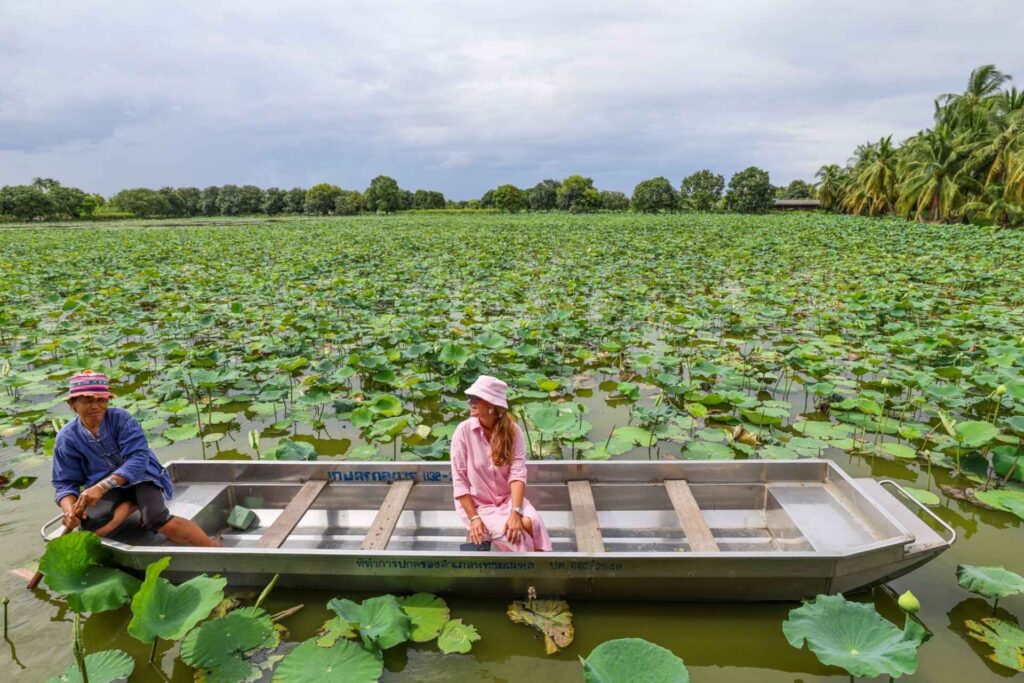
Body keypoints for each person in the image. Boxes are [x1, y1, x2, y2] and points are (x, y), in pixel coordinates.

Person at [51, 370, 220, 547]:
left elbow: (139, 459)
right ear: (73, 404)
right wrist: (69, 511)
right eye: (88, 400)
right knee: (91, 527)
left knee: (155, 519)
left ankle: (213, 547)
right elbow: (64, 482)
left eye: (101, 400)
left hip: (142, 477)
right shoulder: (66, 438)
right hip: (107, 488)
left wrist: (102, 486)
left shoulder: (121, 419)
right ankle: (131, 503)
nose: (96, 406)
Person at [450, 375, 552, 552]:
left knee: (531, 522)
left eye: (476, 398)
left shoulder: (513, 432)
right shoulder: (463, 431)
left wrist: (515, 511)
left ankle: (536, 567)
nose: (469, 402)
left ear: (492, 404)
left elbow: (518, 474)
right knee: (517, 536)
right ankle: (527, 575)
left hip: (507, 499)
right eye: (470, 397)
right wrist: (474, 519)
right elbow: (460, 482)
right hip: (478, 505)